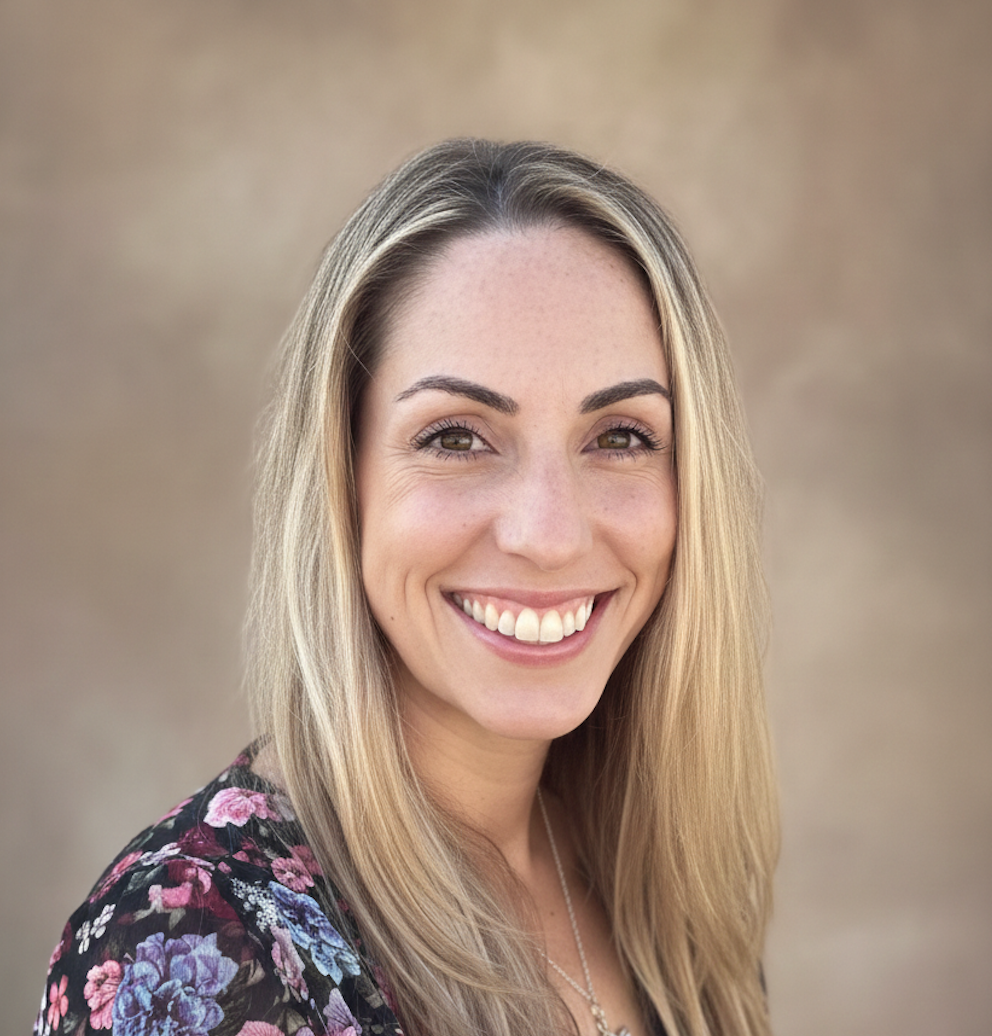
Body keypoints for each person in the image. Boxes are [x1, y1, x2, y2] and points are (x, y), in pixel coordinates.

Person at [35, 139, 778, 1036]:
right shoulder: (197, 944)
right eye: (456, 437)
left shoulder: (654, 887)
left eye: (620, 436)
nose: (547, 533)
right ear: (342, 480)